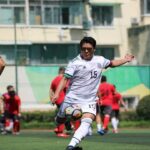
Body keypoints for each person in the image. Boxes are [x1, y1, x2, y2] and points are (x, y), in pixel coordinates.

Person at [52, 36, 134, 150]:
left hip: (89, 100)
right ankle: (64, 120)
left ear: (94, 49)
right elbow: (65, 79)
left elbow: (112, 63)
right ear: (81, 49)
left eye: (89, 48)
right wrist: (56, 94)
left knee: (87, 121)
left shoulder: (99, 60)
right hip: (71, 99)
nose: (86, 51)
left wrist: (125, 60)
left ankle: (71, 146)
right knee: (58, 120)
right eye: (84, 48)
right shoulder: (74, 63)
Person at [50, 67, 73, 137]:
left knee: (63, 115)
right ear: (64, 72)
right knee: (66, 115)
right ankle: (60, 131)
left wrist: (52, 99)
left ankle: (60, 128)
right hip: (65, 100)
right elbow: (67, 88)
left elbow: (51, 91)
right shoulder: (64, 79)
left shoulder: (54, 80)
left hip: (57, 100)